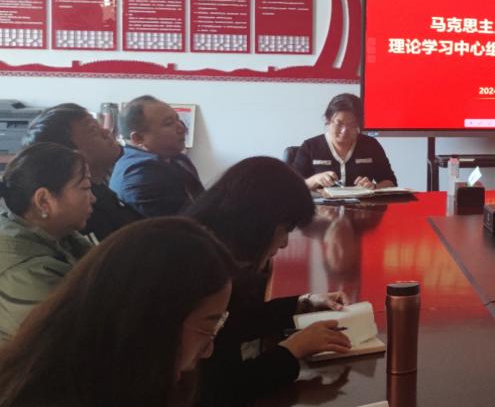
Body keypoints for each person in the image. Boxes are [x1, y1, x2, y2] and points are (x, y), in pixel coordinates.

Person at [0, 217, 236, 407]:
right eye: (209, 326)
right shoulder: (50, 395)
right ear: (151, 321)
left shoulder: (129, 379)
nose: (209, 349)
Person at [187, 157, 352, 406]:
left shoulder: (206, 244)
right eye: (285, 229)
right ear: (258, 221)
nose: (284, 243)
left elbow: (237, 319)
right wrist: (293, 350)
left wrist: (302, 303)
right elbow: (220, 389)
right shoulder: (203, 273)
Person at [0, 143, 94, 340]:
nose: (93, 198)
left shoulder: (60, 235)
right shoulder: (27, 275)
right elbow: (82, 341)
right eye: (85, 188)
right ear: (43, 200)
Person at [22, 103, 141, 241]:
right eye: (94, 130)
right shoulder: (81, 211)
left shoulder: (102, 185)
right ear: (70, 154)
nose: (107, 132)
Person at [109, 95, 204, 217]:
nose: (182, 128)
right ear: (138, 138)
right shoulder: (139, 176)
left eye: (178, 119)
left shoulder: (176, 158)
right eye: (168, 123)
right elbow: (185, 222)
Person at [291, 93, 397, 190]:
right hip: (321, 204)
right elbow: (292, 186)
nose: (344, 131)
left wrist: (374, 186)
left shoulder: (371, 145)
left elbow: (391, 182)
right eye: (339, 124)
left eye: (352, 125)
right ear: (328, 120)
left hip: (362, 204)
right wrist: (314, 180)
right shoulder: (310, 146)